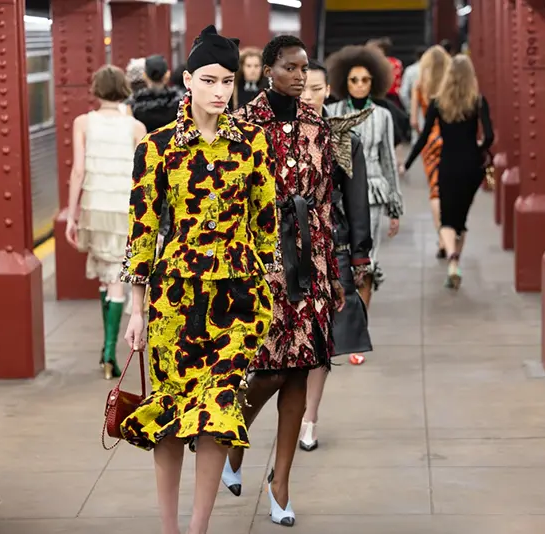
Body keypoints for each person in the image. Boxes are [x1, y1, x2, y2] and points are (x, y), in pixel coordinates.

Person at [120, 26, 278, 534]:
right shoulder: (159, 146)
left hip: (240, 299)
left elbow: (265, 217)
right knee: (169, 416)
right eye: (209, 79)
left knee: (220, 412)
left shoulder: (252, 141)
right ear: (187, 80)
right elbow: (142, 228)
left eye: (228, 81)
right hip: (175, 296)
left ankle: (198, 527)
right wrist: (135, 307)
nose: (219, 91)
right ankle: (170, 528)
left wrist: (271, 286)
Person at [225, 35, 345, 528]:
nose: (301, 76)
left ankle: (280, 483)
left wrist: (334, 270)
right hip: (266, 261)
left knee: (303, 367)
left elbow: (324, 204)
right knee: (271, 369)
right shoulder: (242, 126)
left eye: (305, 68)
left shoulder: (318, 122)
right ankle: (235, 439)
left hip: (312, 260)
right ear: (268, 69)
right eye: (291, 68)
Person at [299, 60, 373, 452]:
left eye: (315, 88)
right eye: (302, 88)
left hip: (334, 246)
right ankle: (296, 413)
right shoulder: (276, 134)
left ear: (328, 90)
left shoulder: (344, 139)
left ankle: (310, 416)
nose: (307, 96)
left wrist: (360, 255)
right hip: (287, 248)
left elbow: (357, 200)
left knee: (323, 338)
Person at [64, 64, 146, 380]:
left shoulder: (83, 123)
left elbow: (78, 171)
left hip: (94, 208)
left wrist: (73, 214)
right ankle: (110, 351)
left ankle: (107, 349)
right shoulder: (136, 127)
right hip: (124, 209)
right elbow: (142, 176)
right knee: (116, 280)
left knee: (104, 277)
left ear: (96, 89)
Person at [405, 55, 494, 289]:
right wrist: (479, 148)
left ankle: (452, 259)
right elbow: (490, 136)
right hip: (472, 167)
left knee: (447, 218)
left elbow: (424, 138)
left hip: (448, 164)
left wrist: (407, 162)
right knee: (461, 219)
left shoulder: (437, 103)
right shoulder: (478, 102)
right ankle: (457, 259)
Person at [325, 45, 402, 314]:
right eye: (353, 80)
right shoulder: (330, 111)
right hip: (337, 195)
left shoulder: (383, 116)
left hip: (374, 192)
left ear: (375, 82)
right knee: (338, 257)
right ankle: (344, 317)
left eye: (365, 80)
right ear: (343, 81)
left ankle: (361, 323)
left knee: (367, 258)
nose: (359, 85)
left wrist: (395, 207)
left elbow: (389, 160)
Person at [410, 45, 451, 259]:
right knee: (450, 190)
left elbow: (414, 121)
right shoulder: (449, 85)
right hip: (450, 139)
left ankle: (442, 238)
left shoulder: (420, 85)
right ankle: (451, 234)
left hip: (430, 140)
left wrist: (424, 132)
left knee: (435, 191)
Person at [129, 54, 182, 133]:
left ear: (144, 76)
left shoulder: (135, 102)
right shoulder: (178, 99)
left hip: (146, 144)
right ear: (167, 75)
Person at [399, 46, 427, 143]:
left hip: (416, 106)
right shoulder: (432, 71)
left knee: (417, 140)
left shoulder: (410, 70)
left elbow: (403, 93)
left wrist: (410, 108)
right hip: (429, 106)